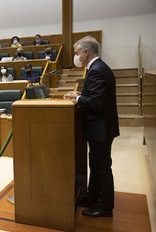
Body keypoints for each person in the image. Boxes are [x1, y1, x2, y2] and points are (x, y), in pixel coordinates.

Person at [64, 36, 119, 218]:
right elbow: (97, 96)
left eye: (77, 53)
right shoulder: (98, 67)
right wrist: (81, 94)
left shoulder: (96, 70)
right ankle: (92, 197)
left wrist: (78, 98)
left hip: (100, 128)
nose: (76, 56)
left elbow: (95, 103)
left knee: (102, 167)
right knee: (95, 164)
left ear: (86, 52)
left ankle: (105, 207)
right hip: (100, 128)